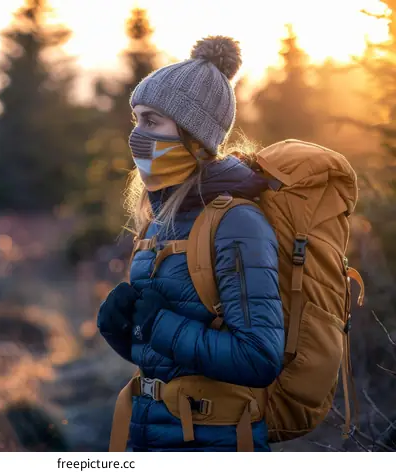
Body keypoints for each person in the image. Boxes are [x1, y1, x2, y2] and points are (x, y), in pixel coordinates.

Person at [97, 36, 285, 452]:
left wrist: (160, 324)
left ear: (194, 136)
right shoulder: (161, 220)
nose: (137, 135)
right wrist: (123, 330)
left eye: (152, 122)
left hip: (213, 442)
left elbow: (258, 357)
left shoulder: (238, 221)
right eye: (136, 120)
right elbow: (175, 361)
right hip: (152, 433)